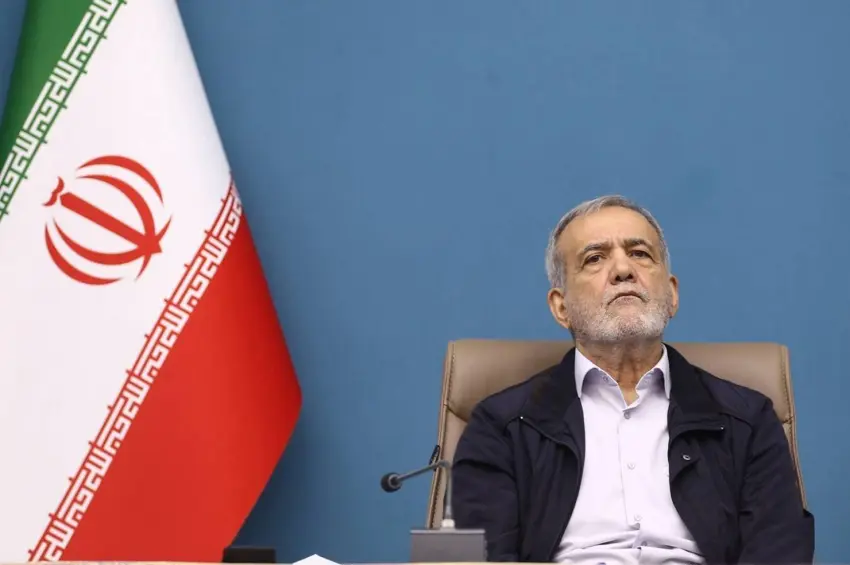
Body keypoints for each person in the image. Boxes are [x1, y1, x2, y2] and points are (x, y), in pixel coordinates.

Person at [451, 195, 814, 564]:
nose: (623, 270)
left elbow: (779, 551)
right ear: (561, 307)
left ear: (672, 295)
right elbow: (485, 558)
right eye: (595, 259)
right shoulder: (501, 427)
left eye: (640, 254)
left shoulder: (747, 421)